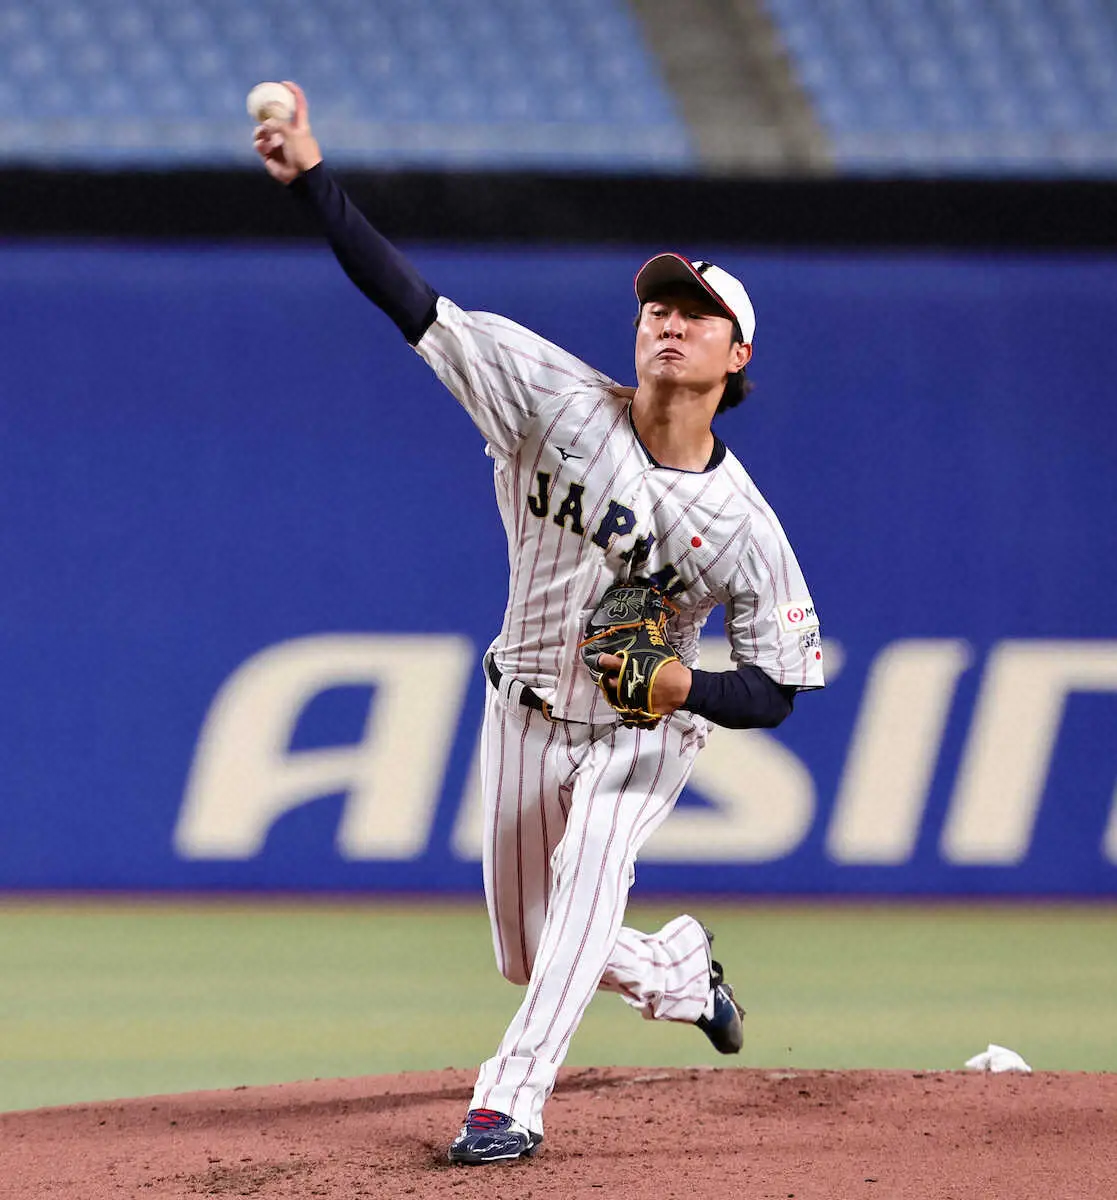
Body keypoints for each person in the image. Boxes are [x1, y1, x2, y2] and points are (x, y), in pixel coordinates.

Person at [254, 82, 825, 1167]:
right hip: (518, 702)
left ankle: (504, 1104)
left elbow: (779, 684)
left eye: (698, 313)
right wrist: (312, 182)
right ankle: (676, 971)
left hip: (634, 729)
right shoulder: (549, 399)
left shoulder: (744, 526)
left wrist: (680, 691)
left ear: (735, 358)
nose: (669, 318)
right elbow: (411, 304)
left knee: (579, 898)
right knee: (530, 949)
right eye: (658, 303)